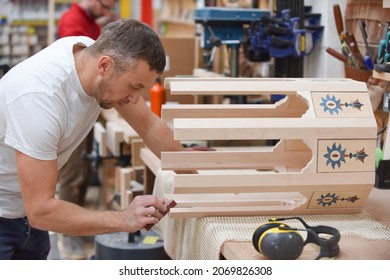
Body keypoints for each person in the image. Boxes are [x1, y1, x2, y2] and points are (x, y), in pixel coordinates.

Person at [0, 18, 185, 260]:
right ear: (105, 66)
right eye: (134, 86)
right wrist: (122, 218)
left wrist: (196, 176)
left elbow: (149, 125)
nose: (134, 99)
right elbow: (42, 211)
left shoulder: (93, 55)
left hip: (27, 217)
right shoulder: (39, 99)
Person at [56, 0, 118, 260]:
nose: (106, 12)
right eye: (104, 6)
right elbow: (83, 63)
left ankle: (77, 224)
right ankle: (66, 233)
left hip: (87, 105)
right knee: (72, 172)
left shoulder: (91, 22)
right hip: (71, 108)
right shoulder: (72, 20)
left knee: (84, 167)